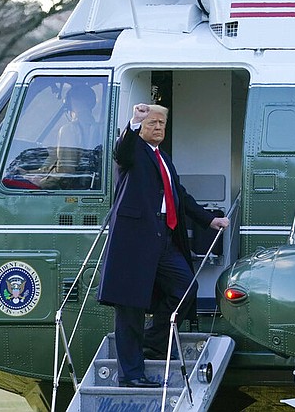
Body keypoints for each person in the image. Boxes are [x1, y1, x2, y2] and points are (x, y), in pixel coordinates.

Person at [97, 103, 230, 388]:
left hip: (164, 237)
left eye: (161, 124)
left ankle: (151, 342)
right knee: (130, 307)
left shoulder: (163, 158)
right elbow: (121, 150)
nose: (157, 128)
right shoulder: (132, 152)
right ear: (141, 127)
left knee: (185, 289)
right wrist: (133, 122)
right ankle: (131, 374)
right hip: (135, 241)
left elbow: (179, 195)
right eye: (152, 123)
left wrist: (209, 221)